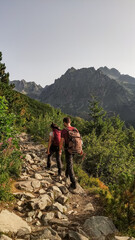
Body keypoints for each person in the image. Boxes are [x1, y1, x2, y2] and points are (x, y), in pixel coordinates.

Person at [59, 117, 78, 189]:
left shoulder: (64, 130)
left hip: (68, 149)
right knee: (69, 163)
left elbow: (61, 141)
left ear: (64, 122)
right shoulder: (75, 129)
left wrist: (60, 149)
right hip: (75, 149)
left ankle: (74, 183)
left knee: (70, 165)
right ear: (70, 122)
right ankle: (66, 176)